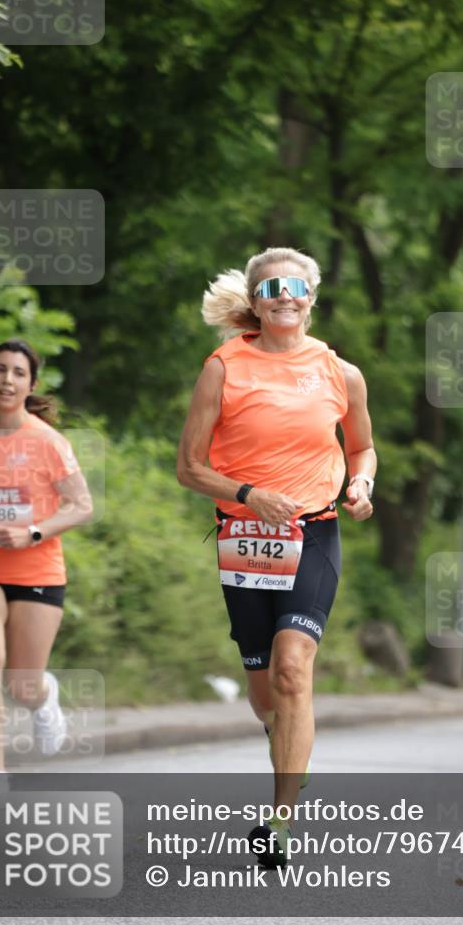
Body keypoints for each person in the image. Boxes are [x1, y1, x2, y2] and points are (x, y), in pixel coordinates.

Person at [177, 247, 376, 867]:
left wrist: (361, 483)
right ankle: (279, 734)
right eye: (271, 288)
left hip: (314, 532)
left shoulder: (341, 373)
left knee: (294, 668)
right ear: (256, 302)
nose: (284, 295)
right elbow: (188, 468)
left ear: (311, 297)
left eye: (295, 286)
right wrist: (247, 494)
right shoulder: (223, 366)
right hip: (244, 539)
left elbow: (363, 448)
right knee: (265, 692)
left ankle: (280, 821)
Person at [0, 339, 93, 808]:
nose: (7, 379)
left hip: (37, 568)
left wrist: (32, 532)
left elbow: (81, 506)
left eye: (17, 373)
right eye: (0, 370)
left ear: (30, 385)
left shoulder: (49, 442)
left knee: (21, 684)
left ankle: (44, 695)